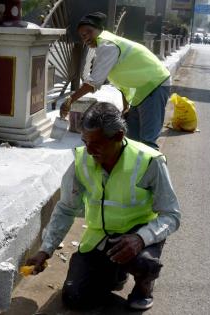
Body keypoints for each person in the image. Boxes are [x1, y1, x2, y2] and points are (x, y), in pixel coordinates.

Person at [27, 102, 180, 311]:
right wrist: (45, 250)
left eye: (96, 143)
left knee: (144, 263)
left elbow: (171, 215)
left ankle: (143, 285)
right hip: (99, 239)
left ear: (118, 136)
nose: (88, 150)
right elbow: (66, 208)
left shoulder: (150, 161)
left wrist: (140, 239)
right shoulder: (81, 160)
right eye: (85, 141)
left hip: (138, 236)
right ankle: (114, 275)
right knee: (74, 297)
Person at [60, 12, 171, 150]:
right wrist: (126, 107)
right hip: (141, 90)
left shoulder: (107, 45)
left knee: (148, 142)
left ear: (99, 30)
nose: (86, 37)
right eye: (83, 35)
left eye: (89, 31)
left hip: (155, 85)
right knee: (133, 139)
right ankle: (133, 170)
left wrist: (71, 99)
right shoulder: (105, 46)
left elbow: (93, 82)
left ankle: (155, 169)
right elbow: (123, 84)